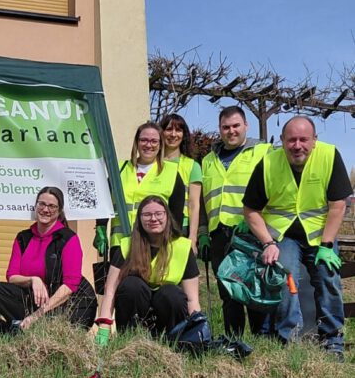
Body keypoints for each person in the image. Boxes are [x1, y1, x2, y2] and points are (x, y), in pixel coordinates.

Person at [243, 116, 350, 360]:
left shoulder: (329, 156)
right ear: (282, 141)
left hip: (320, 234)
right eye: (291, 140)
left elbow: (337, 206)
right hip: (283, 234)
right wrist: (267, 243)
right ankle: (289, 339)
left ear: (314, 140)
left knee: (328, 278)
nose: (297, 145)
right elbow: (250, 210)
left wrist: (326, 246)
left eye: (304, 139)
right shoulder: (268, 163)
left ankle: (332, 340)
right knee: (285, 275)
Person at [198, 106, 270, 338]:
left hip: (250, 232)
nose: (231, 131)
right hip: (219, 233)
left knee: (253, 288)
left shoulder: (263, 152)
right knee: (228, 290)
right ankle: (233, 340)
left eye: (236, 126)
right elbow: (201, 200)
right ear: (220, 129)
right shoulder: (208, 160)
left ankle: (262, 340)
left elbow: (275, 191)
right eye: (226, 127)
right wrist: (202, 233)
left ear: (246, 126)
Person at [95, 196, 201, 344]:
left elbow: (192, 299)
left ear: (167, 216)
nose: (153, 218)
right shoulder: (126, 246)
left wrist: (198, 330)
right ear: (139, 219)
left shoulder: (183, 247)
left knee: (172, 293)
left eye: (159, 213)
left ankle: (172, 345)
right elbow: (110, 291)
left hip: (167, 312)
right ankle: (130, 342)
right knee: (132, 285)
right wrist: (104, 329)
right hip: (135, 311)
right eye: (147, 215)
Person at [0, 187, 97, 330]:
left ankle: (27, 326)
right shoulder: (23, 238)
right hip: (37, 300)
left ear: (59, 211)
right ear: (36, 206)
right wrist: (33, 279)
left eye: (52, 206)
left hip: (70, 304)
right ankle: (27, 327)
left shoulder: (68, 238)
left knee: (51, 324)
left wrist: (37, 315)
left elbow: (70, 285)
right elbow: (12, 276)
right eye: (42, 204)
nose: (46, 210)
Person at [94, 122, 186, 255]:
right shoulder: (118, 169)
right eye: (144, 140)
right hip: (120, 244)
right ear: (136, 143)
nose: (148, 145)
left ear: (160, 145)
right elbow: (104, 201)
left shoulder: (171, 172)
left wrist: (171, 243)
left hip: (154, 245)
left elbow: (176, 215)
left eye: (154, 141)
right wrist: (100, 228)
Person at [160, 114, 202, 251]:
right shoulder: (152, 164)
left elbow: (194, 204)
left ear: (184, 135)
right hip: (154, 225)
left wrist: (193, 237)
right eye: (168, 129)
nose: (173, 134)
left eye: (178, 130)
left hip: (181, 227)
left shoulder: (192, 166)